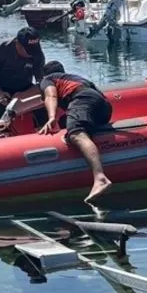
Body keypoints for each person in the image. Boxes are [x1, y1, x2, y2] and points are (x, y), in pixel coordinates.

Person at [38, 60, 113, 202]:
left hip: (82, 98)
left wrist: (51, 117)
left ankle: (100, 178)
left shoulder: (47, 80)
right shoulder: (73, 78)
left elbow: (50, 96)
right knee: (65, 122)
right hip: (103, 106)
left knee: (75, 133)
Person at [0, 27, 45, 118]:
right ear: (17, 43)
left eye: (34, 49)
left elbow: (41, 83)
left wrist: (25, 94)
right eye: (28, 50)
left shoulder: (38, 55)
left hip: (24, 90)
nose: (31, 54)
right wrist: (0, 93)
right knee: (1, 111)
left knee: (43, 106)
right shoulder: (0, 49)